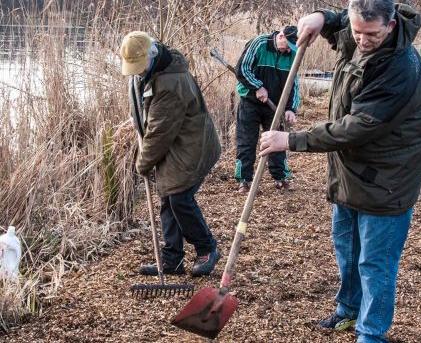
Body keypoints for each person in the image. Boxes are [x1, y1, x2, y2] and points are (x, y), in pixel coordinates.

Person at [259, 0, 421, 343]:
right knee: (347, 248)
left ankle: (372, 337)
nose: (362, 41)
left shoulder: (401, 67)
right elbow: (337, 22)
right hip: (351, 170)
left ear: (391, 25)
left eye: (372, 34)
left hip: (386, 178)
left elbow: (358, 126)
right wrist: (320, 17)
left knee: (375, 262)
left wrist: (293, 140)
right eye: (357, 32)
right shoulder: (355, 35)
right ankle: (349, 308)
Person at [122, 31, 221, 277]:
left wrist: (142, 164)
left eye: (139, 66)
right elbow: (146, 107)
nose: (136, 72)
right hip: (178, 143)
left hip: (193, 145)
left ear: (152, 54)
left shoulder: (170, 83)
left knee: (179, 199)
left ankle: (207, 248)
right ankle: (172, 261)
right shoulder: (155, 69)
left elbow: (159, 133)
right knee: (169, 198)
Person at [233, 25, 300, 192]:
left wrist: (291, 108)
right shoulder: (260, 43)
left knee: (277, 142)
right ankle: (244, 180)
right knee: (246, 141)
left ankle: (280, 178)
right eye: (288, 46)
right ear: (281, 36)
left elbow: (294, 83)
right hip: (250, 102)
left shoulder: (293, 54)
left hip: (275, 107)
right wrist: (258, 87)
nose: (289, 51)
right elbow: (242, 69)